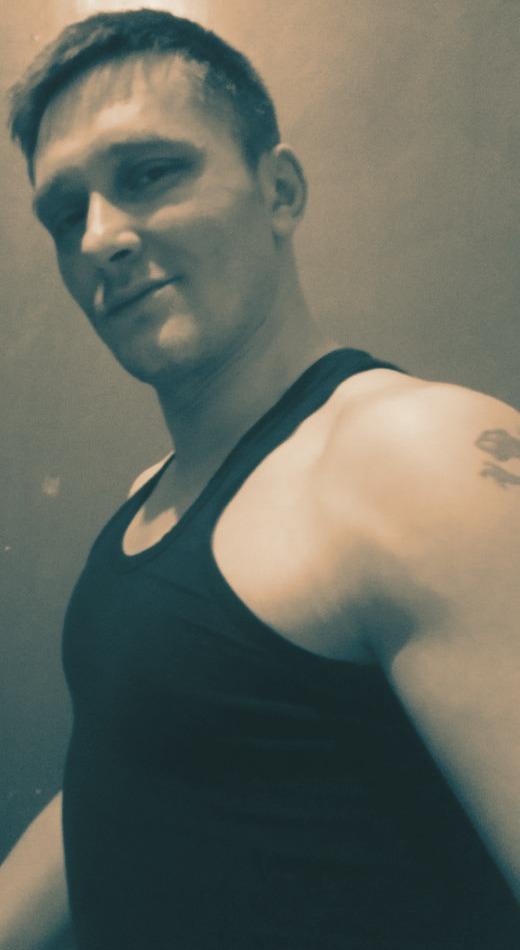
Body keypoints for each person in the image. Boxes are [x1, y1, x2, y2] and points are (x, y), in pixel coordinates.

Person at [1, 8, 519, 949]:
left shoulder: (419, 456)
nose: (99, 238)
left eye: (149, 173)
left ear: (279, 191)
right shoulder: (150, 493)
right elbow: (131, 771)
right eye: (66, 213)